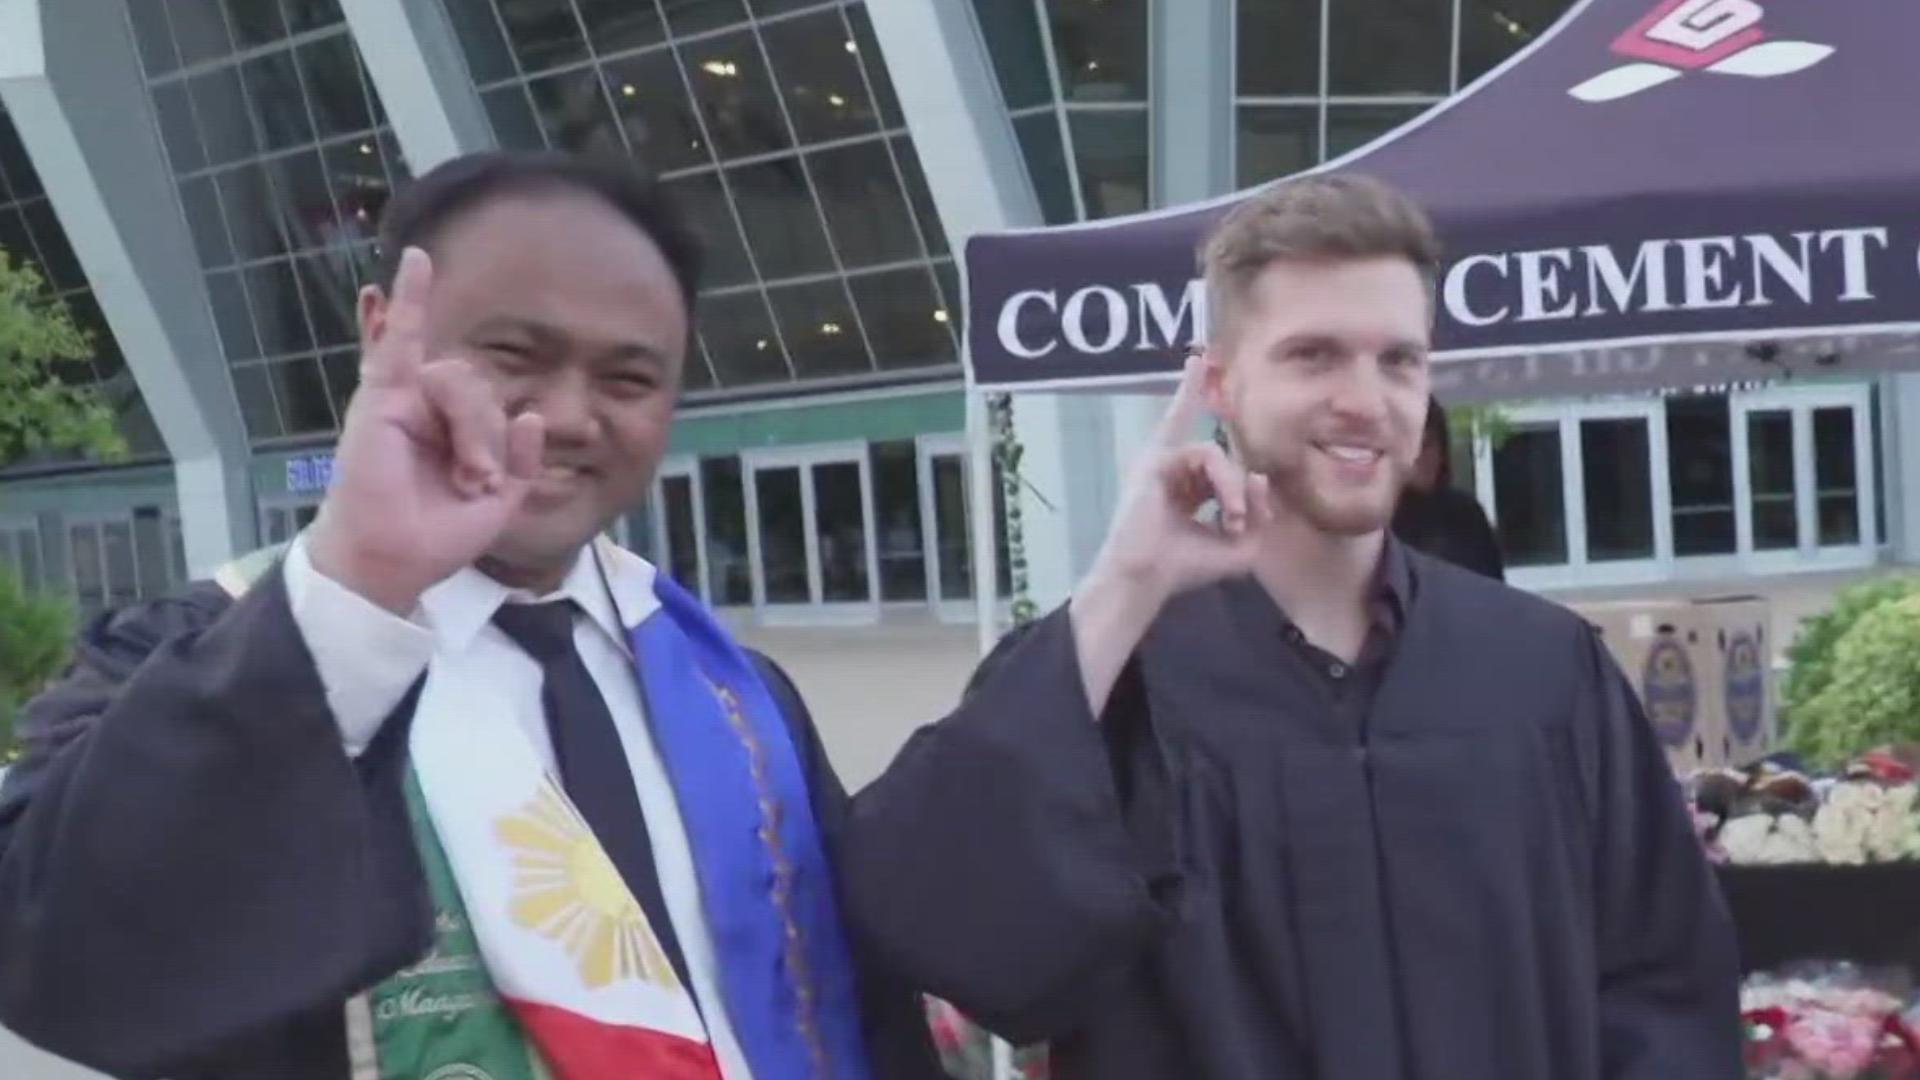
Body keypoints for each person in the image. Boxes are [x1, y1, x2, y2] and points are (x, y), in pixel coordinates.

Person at [0, 152, 939, 1080]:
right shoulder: (202, 653)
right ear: (380, 332)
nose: (568, 417)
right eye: (512, 357)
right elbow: (62, 966)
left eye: (628, 380)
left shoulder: (735, 695)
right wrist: (357, 588)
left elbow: (864, 1014)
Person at [837, 175, 1741, 1080]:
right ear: (1220, 385)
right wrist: (1126, 583)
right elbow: (939, 926)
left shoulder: (1544, 672)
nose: (1367, 400)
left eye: (1400, 360)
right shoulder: (1117, 680)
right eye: (1314, 356)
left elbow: (1665, 1000)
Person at [1392, 396, 1505, 580]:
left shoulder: (1466, 514)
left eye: (1427, 445)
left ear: (1442, 448)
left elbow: (1495, 590)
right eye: (1410, 445)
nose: (1419, 456)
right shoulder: (1375, 521)